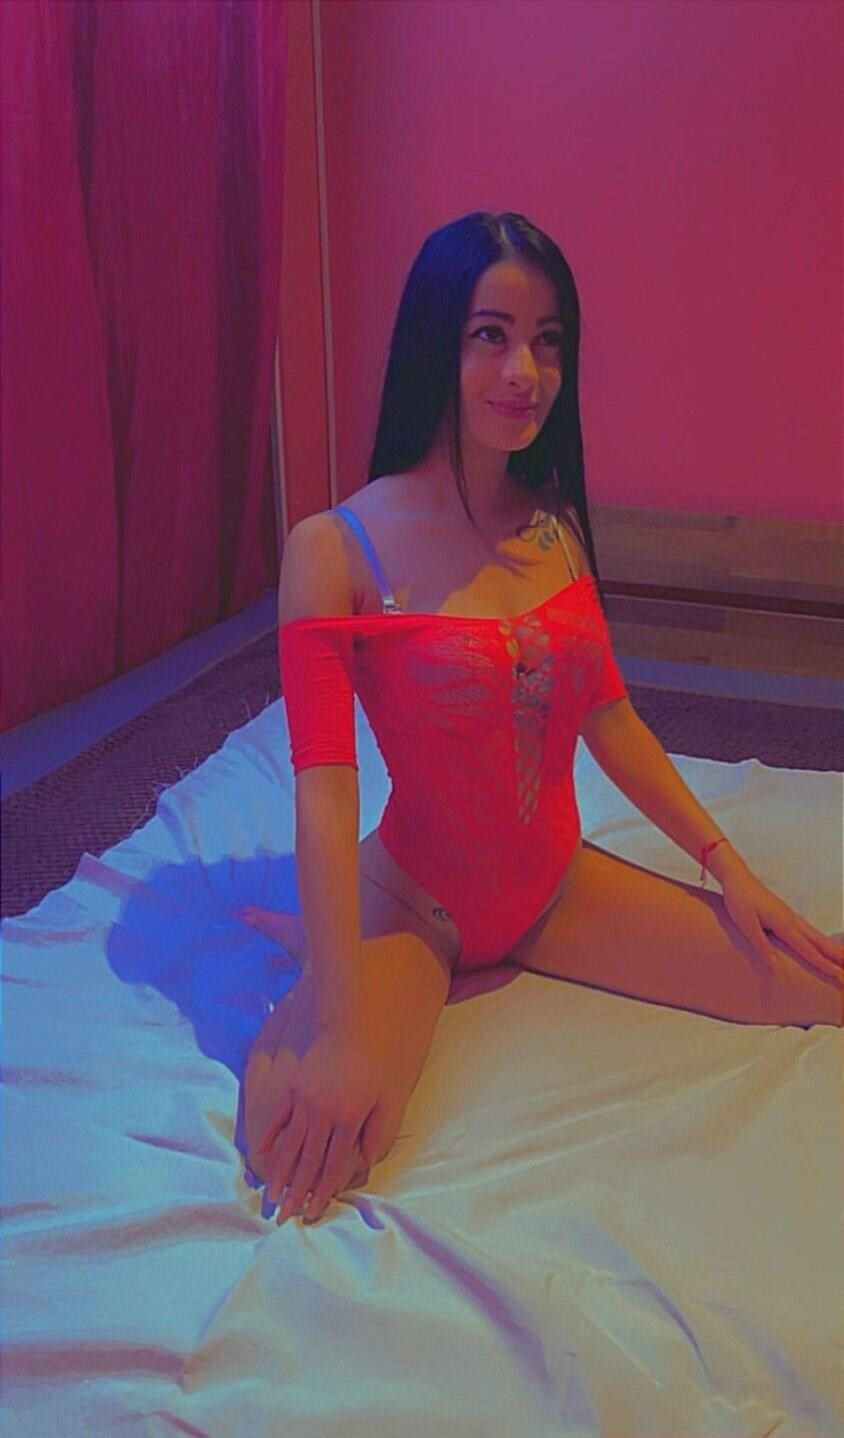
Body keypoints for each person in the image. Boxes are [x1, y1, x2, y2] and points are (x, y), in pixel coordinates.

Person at [236, 210, 844, 1228]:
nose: (525, 370)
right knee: (312, 1141)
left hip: (553, 885)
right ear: (437, 341)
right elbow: (326, 791)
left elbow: (613, 718)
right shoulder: (332, 548)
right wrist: (339, 1015)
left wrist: (729, 868)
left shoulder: (553, 523)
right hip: (419, 905)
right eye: (492, 334)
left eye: (548, 339)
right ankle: (319, 949)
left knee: (813, 980)